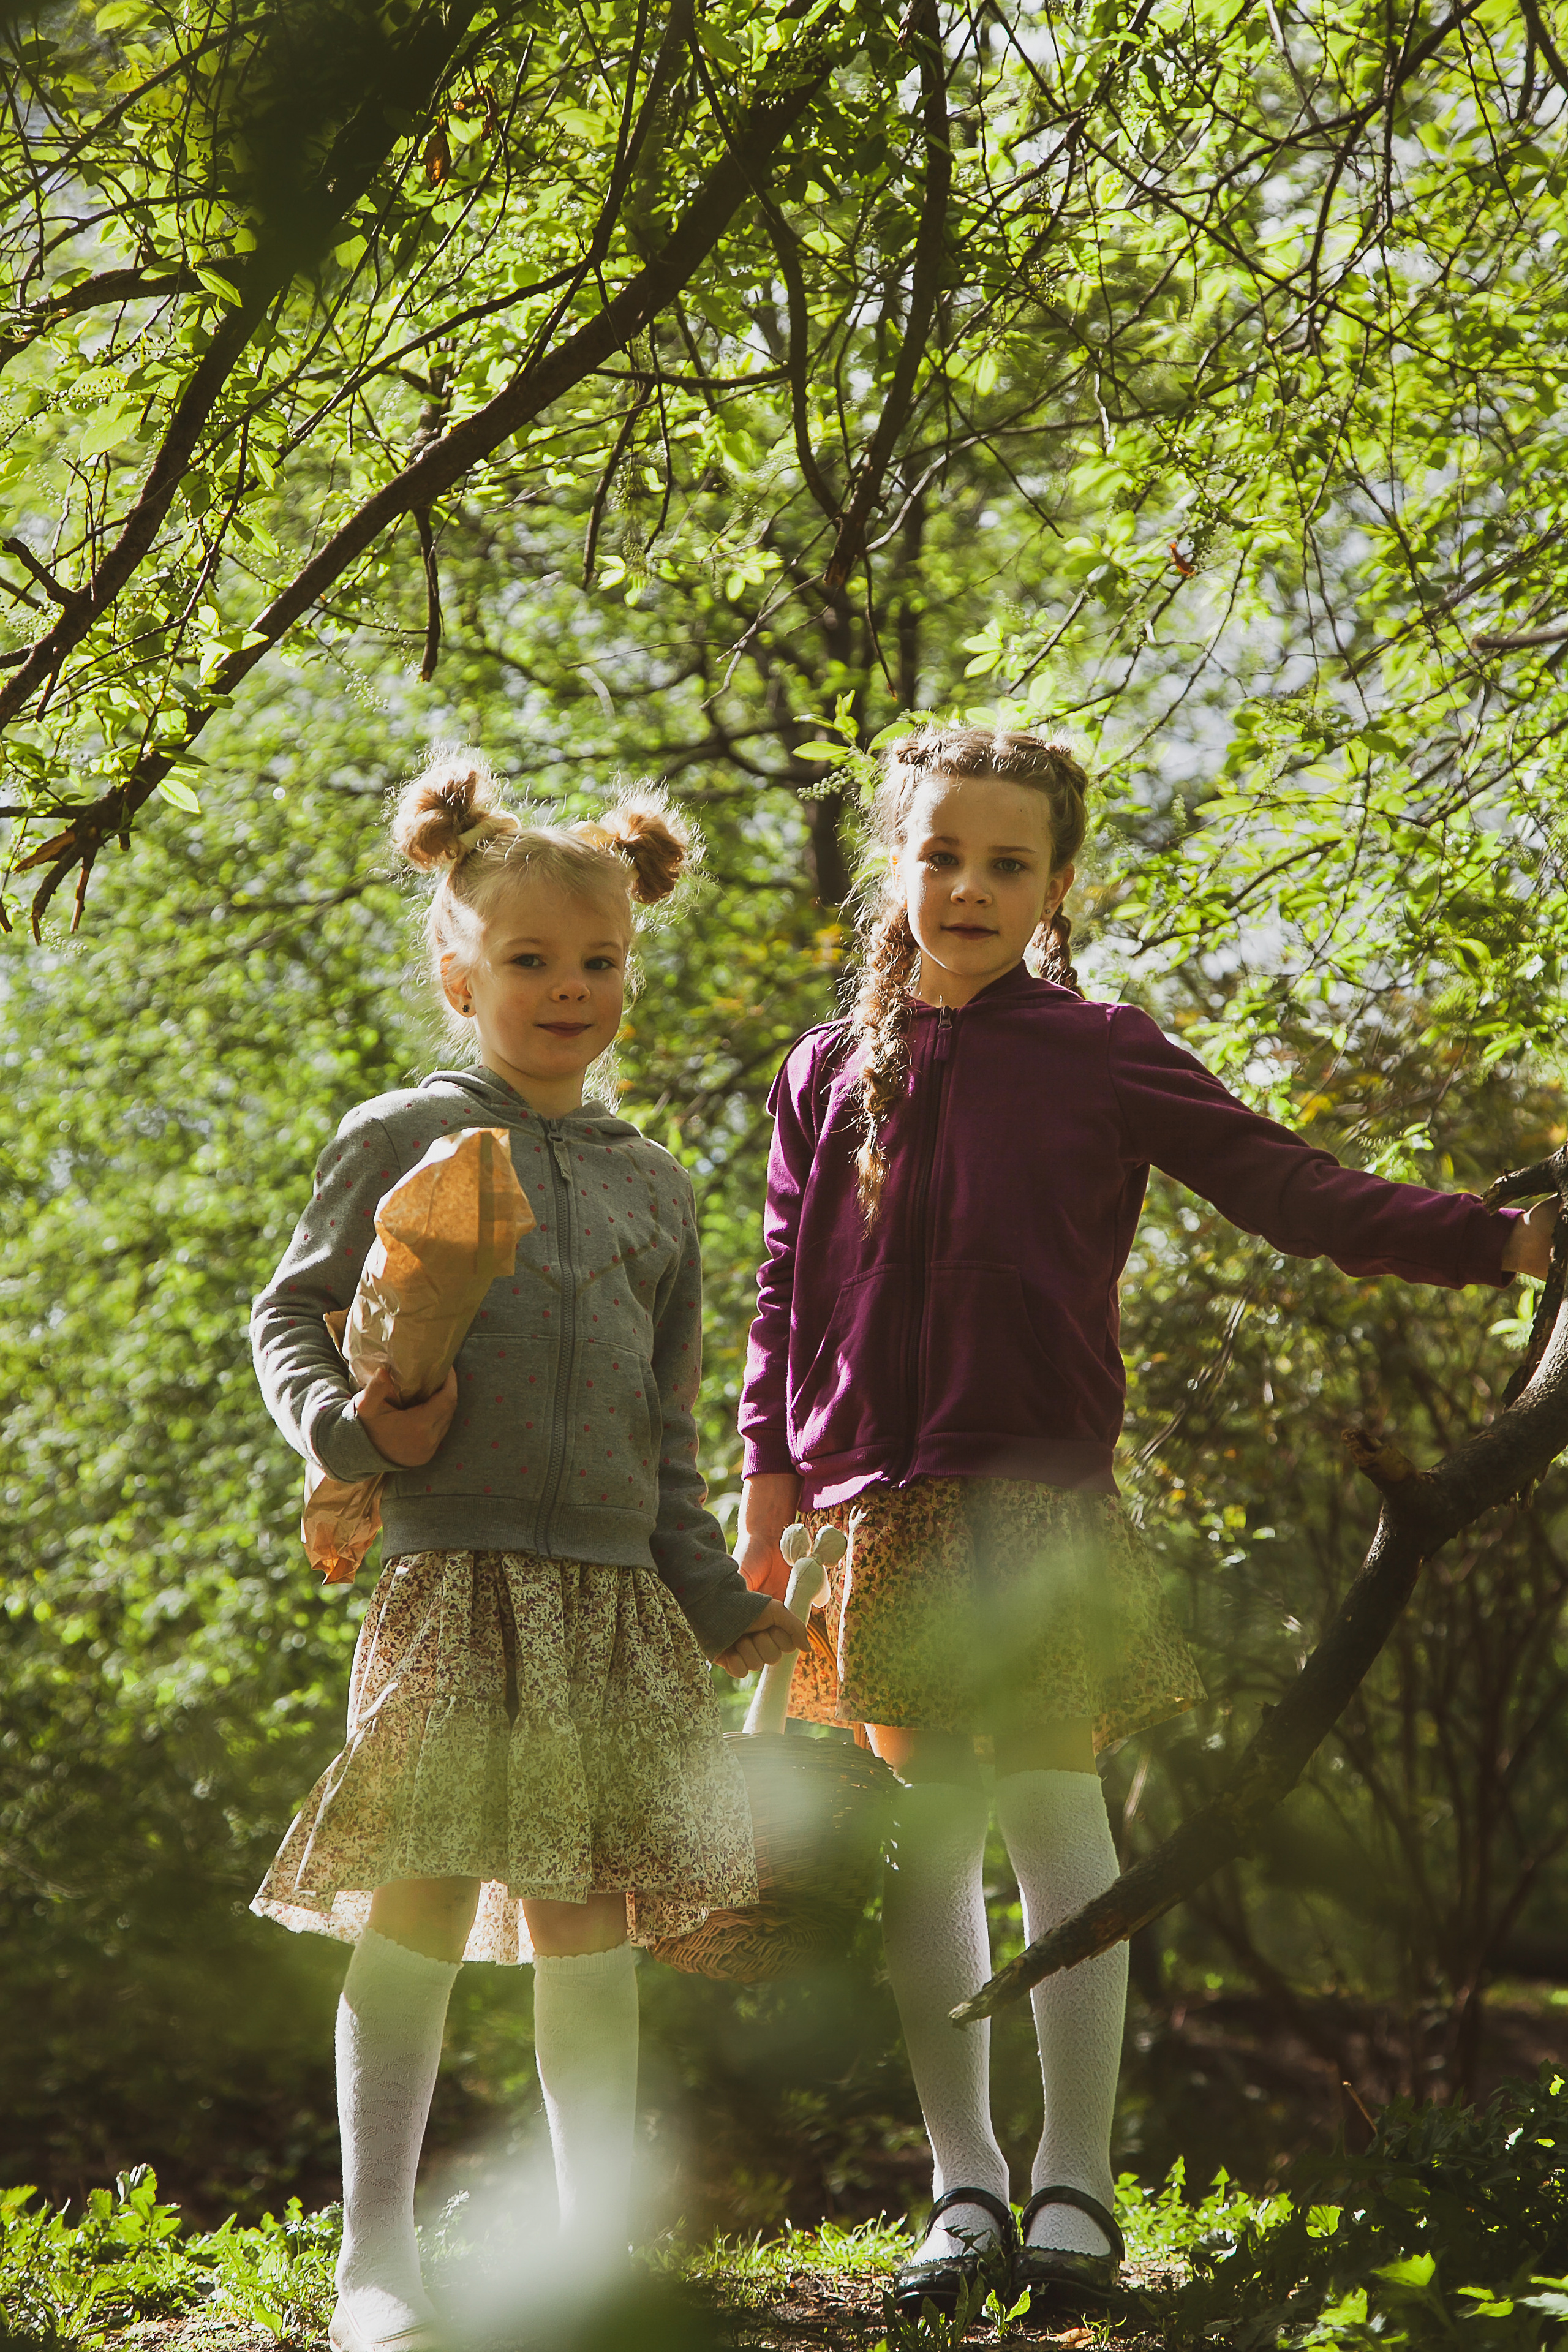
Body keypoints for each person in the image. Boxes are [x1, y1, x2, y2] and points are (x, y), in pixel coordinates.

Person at [734, 725, 1555, 2328]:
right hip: (880, 1517)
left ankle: (1078, 2194)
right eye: (944, 854)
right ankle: (962, 2191)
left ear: (1057, 885)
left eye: (1009, 863)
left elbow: (1290, 1186)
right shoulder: (822, 1072)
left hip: (1040, 1512)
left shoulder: (1102, 1049)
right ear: (897, 864)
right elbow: (782, 1295)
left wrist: (1508, 1245)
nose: (969, 886)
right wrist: (767, 1500)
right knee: (928, 1853)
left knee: (1060, 1837)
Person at [251, 754, 805, 2352]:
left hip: (615, 1599)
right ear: (456, 972)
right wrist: (344, 1436)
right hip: (453, 1570)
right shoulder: (407, 1135)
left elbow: (670, 1426)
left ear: (632, 962)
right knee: (418, 1896)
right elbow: (296, 1316)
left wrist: (714, 1598)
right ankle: (379, 2266)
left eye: (601, 962)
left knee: (589, 1917)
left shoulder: (653, 1187)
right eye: (529, 961)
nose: (570, 989)